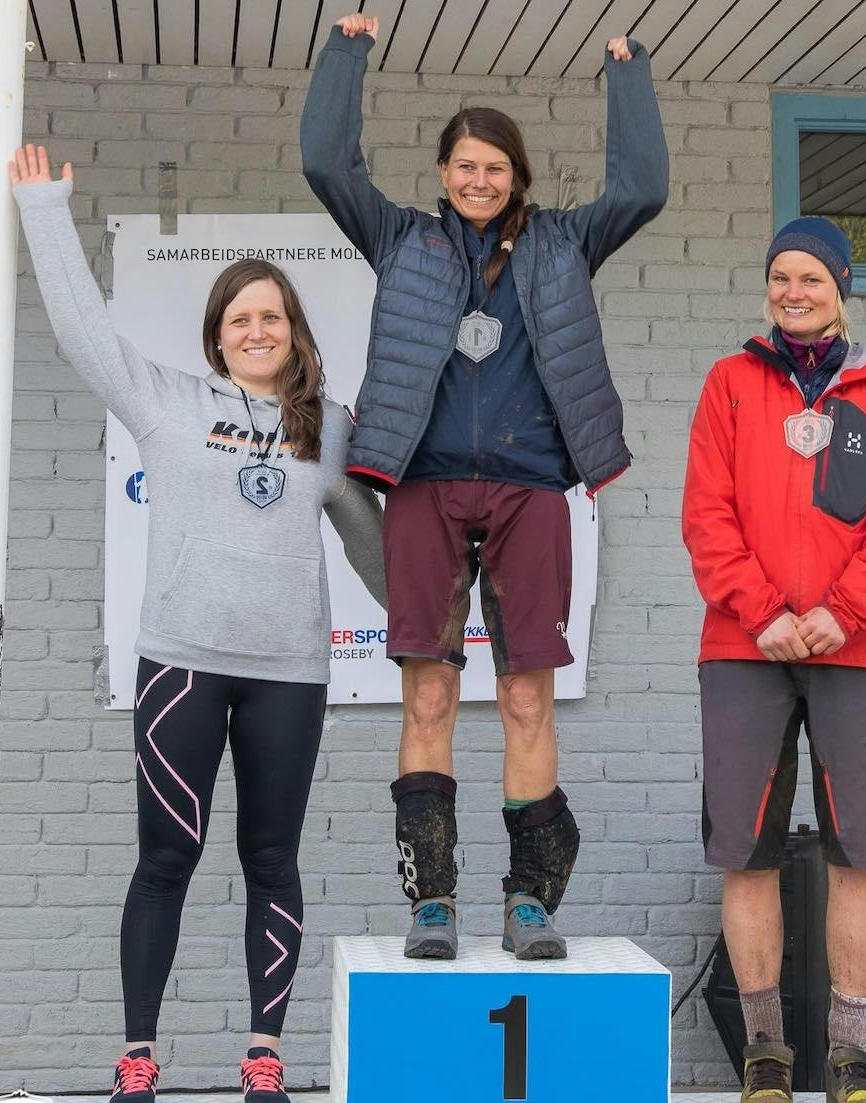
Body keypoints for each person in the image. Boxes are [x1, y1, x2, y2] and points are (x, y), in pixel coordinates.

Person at [9, 144, 387, 1103]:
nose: (256, 329)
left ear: (292, 330)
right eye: (238, 319)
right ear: (218, 338)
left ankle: (264, 1053)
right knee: (165, 860)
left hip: (288, 677)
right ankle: (137, 1057)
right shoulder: (165, 403)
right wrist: (44, 209)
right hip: (180, 667)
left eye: (271, 315)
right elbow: (82, 329)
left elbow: (375, 553)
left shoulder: (330, 428)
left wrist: (450, 620)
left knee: (271, 861)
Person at [300, 13, 668, 962]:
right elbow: (326, 164)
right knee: (427, 695)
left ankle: (529, 900)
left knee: (526, 699)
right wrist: (347, 53)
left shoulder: (563, 245)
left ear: (517, 176)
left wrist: (626, 78)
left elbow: (644, 186)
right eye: (464, 165)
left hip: (532, 489)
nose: (478, 179)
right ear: (442, 174)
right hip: (421, 484)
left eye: (495, 166)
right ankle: (434, 903)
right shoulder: (401, 241)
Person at [682, 216, 866, 1103]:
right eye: (781, 275)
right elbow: (707, 519)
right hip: (743, 648)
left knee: (856, 853)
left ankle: (856, 1059)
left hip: (857, 650)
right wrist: (764, 614)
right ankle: (766, 1056)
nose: (794, 291)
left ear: (842, 287)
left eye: (812, 279)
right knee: (745, 853)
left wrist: (840, 612)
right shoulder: (729, 384)